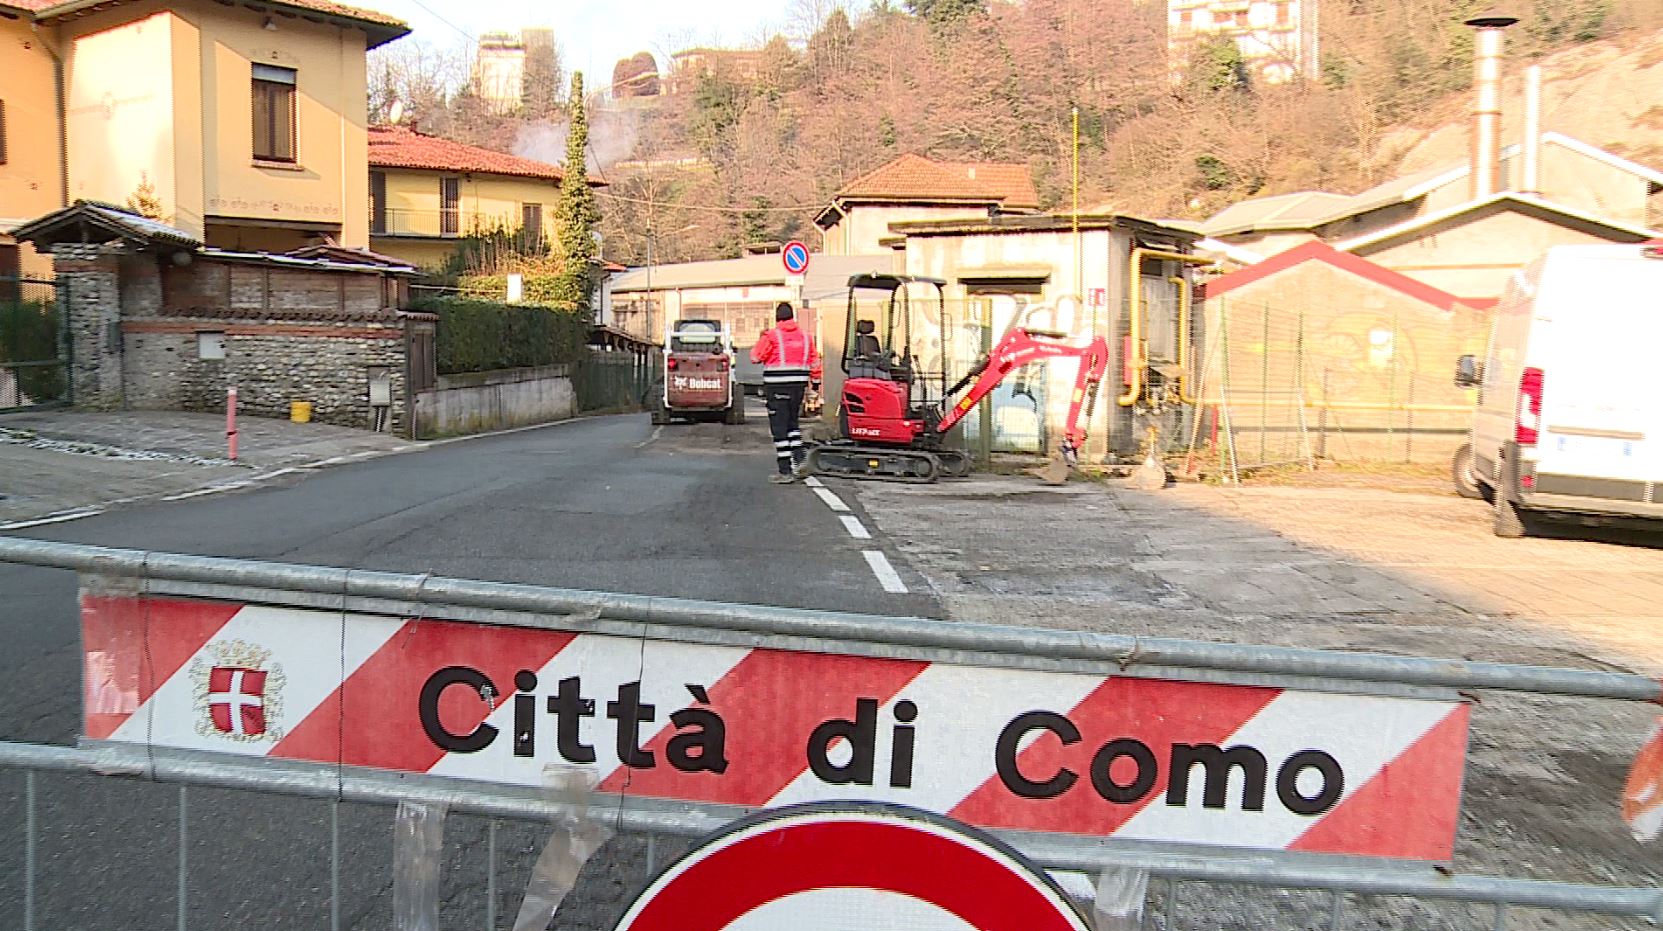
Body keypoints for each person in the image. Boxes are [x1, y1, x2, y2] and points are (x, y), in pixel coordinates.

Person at [750, 301, 821, 483]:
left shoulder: (772, 336)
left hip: (777, 386)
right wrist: (815, 383)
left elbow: (755, 357)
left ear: (777, 318)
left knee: (779, 428)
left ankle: (785, 471)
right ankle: (800, 460)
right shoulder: (806, 337)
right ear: (792, 317)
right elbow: (814, 362)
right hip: (798, 386)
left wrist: (763, 340)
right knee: (791, 423)